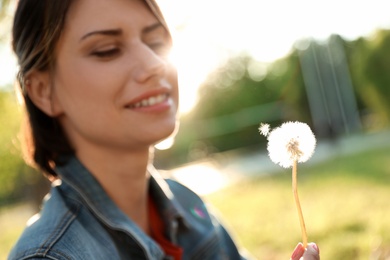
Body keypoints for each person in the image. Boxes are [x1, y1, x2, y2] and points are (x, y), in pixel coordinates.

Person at [8, 0, 320, 259]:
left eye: (156, 41)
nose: (155, 62)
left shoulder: (188, 203)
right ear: (43, 90)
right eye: (106, 49)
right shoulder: (50, 256)